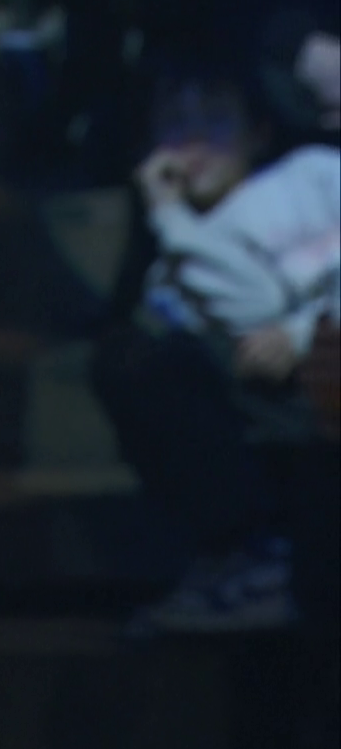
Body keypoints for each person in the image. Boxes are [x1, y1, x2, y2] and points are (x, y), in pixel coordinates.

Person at [91, 52, 340, 634]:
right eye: (176, 123)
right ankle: (251, 561)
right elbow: (257, 309)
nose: (195, 140)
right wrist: (170, 214)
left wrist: (302, 332)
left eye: (216, 120)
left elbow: (284, 321)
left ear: (259, 131)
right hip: (291, 411)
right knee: (135, 359)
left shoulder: (316, 175)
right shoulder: (176, 261)